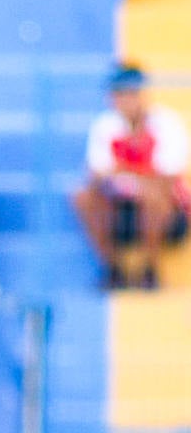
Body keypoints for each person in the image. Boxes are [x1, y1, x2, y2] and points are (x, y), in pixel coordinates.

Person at [74, 65, 190, 291]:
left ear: (140, 95)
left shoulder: (166, 123)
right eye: (117, 95)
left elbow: (168, 176)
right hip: (119, 205)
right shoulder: (106, 125)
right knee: (83, 197)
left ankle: (149, 269)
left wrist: (123, 172)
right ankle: (113, 269)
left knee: (154, 197)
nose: (122, 101)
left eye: (128, 94)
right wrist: (137, 175)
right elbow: (96, 173)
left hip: (164, 209)